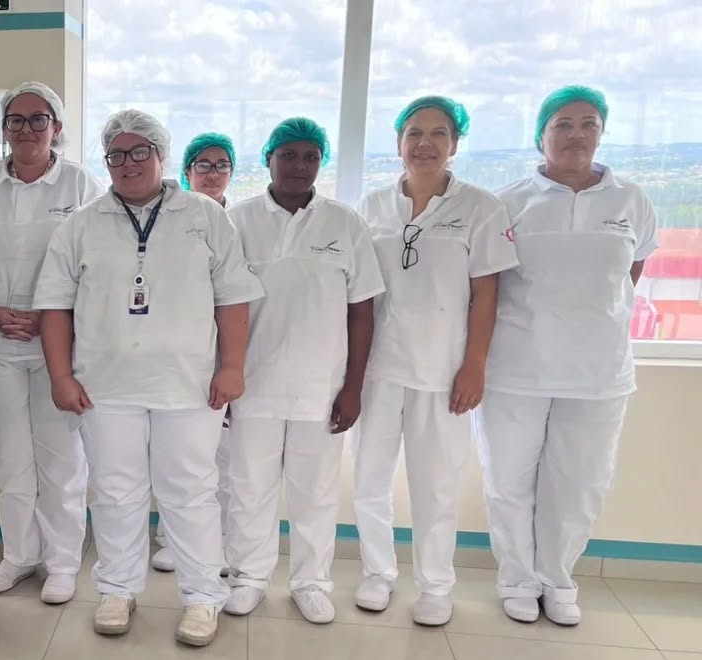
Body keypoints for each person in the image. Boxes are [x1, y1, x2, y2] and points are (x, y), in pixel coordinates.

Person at [33, 109, 262, 646]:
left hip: (189, 385)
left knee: (192, 491)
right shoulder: (81, 225)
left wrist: (232, 367)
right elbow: (54, 306)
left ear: (161, 155)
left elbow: (233, 298)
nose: (128, 163)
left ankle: (202, 596)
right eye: (116, 154)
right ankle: (117, 589)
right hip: (104, 387)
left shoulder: (204, 216)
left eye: (140, 152)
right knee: (115, 492)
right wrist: (61, 376)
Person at [477, 85, 657, 626]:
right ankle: (517, 580)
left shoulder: (631, 200)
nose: (576, 134)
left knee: (579, 483)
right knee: (508, 481)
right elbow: (488, 285)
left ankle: (557, 579)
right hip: (516, 368)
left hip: (598, 373)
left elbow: (629, 273)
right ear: (542, 136)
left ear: (601, 132)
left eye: (588, 124)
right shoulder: (509, 202)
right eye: (563, 124)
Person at [352, 97, 518, 626]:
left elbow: (486, 296)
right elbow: (357, 294)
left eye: (438, 133)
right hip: (379, 369)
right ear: (398, 142)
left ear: (454, 143)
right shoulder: (373, 205)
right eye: (414, 133)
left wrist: (475, 366)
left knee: (436, 486)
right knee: (369, 480)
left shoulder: (480, 207)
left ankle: (435, 585)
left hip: (443, 372)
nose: (425, 143)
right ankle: (378, 574)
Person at [224, 118, 385, 625]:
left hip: (322, 388)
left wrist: (353, 387)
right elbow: (218, 306)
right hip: (253, 385)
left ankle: (311, 582)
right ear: (267, 159)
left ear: (321, 162)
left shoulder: (344, 223)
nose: (299, 165)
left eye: (311, 156)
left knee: (315, 493)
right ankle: (248, 577)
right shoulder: (238, 221)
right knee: (249, 488)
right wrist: (223, 375)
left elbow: (362, 310)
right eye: (288, 155)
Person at [0, 82, 102, 604]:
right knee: (9, 457)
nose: (26, 129)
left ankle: (62, 562)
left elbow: (96, 265)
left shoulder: (80, 186)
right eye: (15, 121)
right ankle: (19, 555)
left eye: (38, 119)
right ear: (4, 130)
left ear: (56, 127)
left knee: (61, 457)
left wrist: (50, 318)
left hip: (57, 348)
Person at [153, 131, 241, 574]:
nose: (212, 172)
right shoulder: (168, 222)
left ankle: (217, 544)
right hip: (180, 358)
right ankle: (170, 539)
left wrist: (233, 364)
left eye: (221, 165)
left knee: (223, 461)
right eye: (203, 164)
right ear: (186, 171)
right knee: (177, 459)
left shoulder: (240, 223)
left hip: (230, 358)